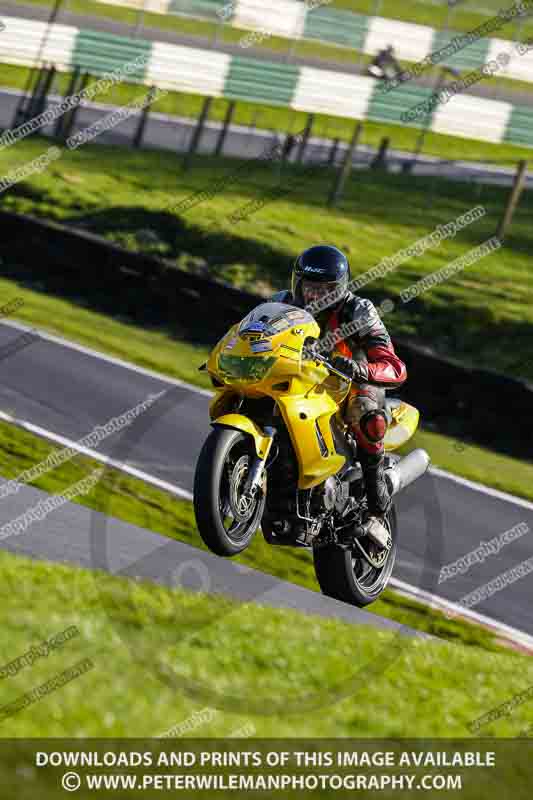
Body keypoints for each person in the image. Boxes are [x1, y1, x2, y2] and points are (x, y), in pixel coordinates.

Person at [272, 244, 407, 550]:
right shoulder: (281, 303)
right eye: (310, 287)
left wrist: (359, 367)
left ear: (340, 289)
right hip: (302, 381)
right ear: (298, 284)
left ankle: (376, 507)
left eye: (325, 289)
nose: (315, 296)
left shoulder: (358, 311)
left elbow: (393, 366)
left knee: (366, 414)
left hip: (350, 383)